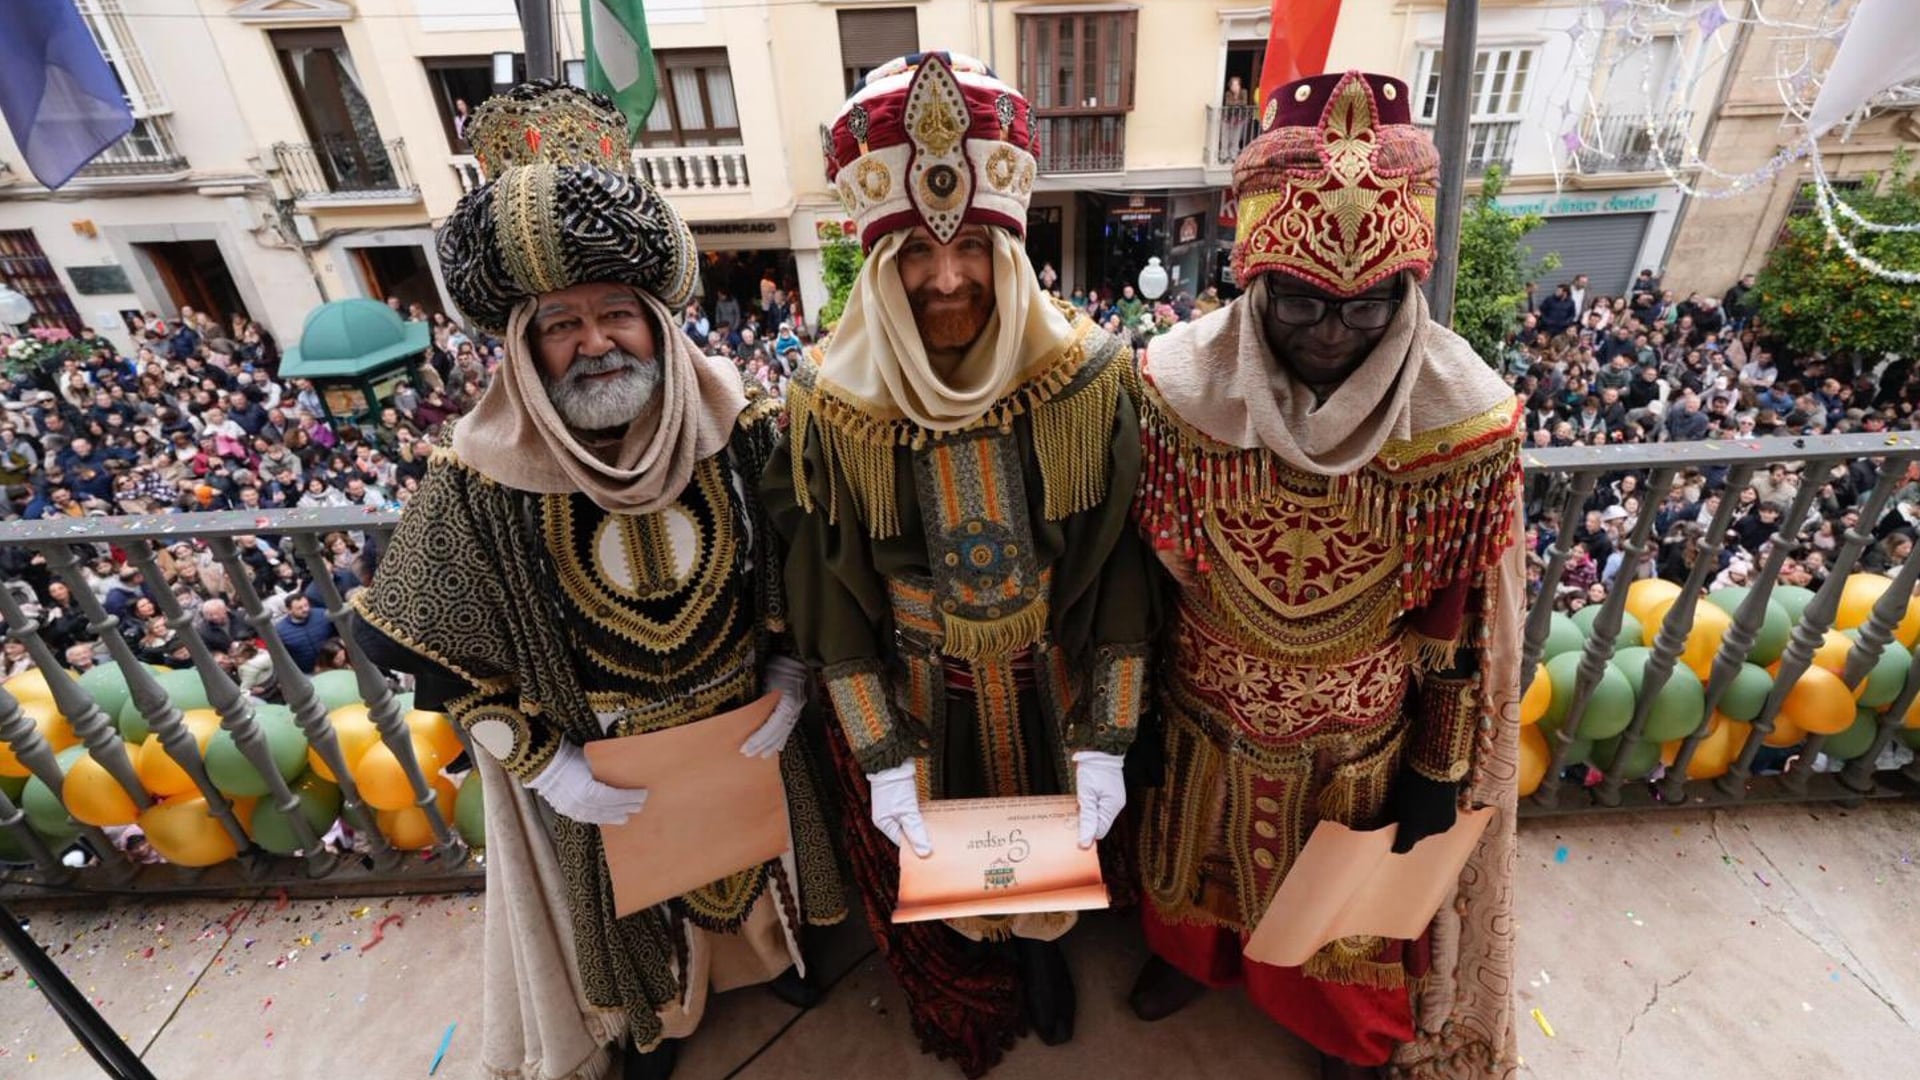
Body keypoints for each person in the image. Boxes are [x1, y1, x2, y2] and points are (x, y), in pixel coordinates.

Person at [350, 82, 842, 1080]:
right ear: (525, 352)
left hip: (742, 730)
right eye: (561, 326)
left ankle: (778, 963)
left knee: (767, 873)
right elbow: (437, 654)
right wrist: (543, 763)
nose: (596, 343)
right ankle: (660, 1020)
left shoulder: (737, 431)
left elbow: (800, 560)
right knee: (639, 908)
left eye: (617, 314)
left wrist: (790, 670)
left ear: (657, 322)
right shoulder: (478, 478)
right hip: (600, 754)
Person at [1128, 71, 1526, 1078]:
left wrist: (1437, 770)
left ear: (1407, 292)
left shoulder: (1463, 417)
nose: (1334, 335)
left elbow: (1460, 620)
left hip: (1360, 721)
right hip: (1205, 689)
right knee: (1192, 860)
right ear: (1252, 280)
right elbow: (1152, 557)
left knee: (1343, 906)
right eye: (1302, 304)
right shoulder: (1178, 387)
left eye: (1368, 306)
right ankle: (1197, 961)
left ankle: (1341, 1027)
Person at [766, 52, 1152, 1072]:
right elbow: (828, 598)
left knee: (1052, 851)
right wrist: (880, 753)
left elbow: (1116, 566)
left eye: (973, 246)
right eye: (915, 256)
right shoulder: (828, 400)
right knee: (936, 844)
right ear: (875, 261)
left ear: (1011, 247)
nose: (946, 278)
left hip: (1053, 678)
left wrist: (1109, 732)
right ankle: (968, 949)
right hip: (915, 682)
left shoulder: (1090, 378)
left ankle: (1042, 956)